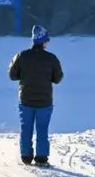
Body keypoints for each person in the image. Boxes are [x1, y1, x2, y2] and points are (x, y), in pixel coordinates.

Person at [8, 24, 63, 166]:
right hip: (44, 102)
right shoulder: (51, 58)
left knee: (26, 128)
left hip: (25, 100)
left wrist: (24, 75)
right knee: (42, 129)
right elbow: (58, 78)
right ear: (44, 41)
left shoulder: (22, 56)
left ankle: (26, 157)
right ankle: (41, 158)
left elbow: (12, 75)